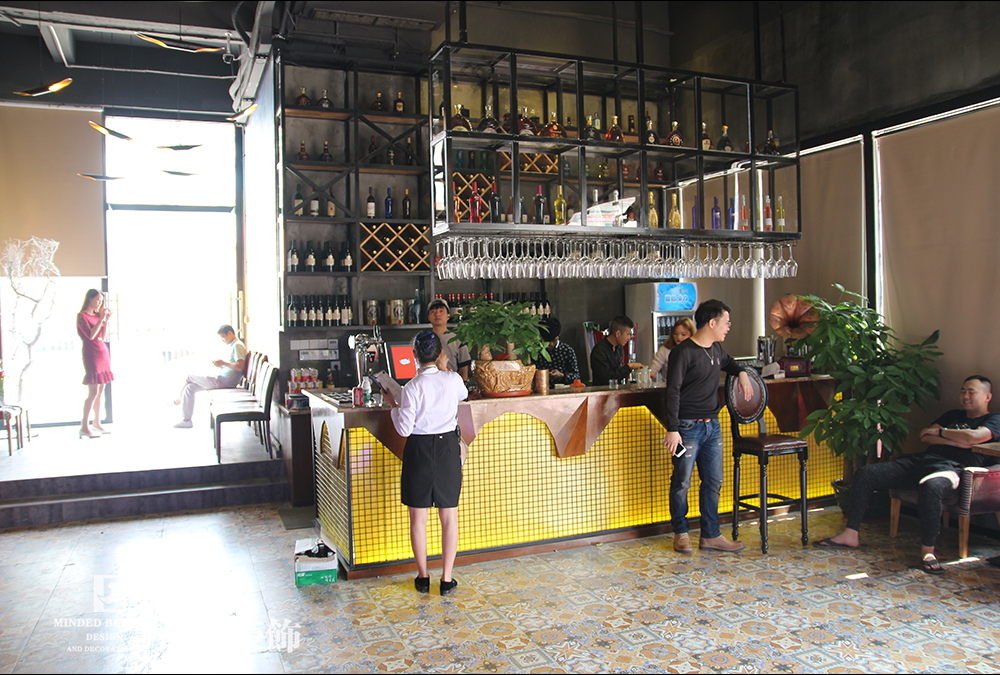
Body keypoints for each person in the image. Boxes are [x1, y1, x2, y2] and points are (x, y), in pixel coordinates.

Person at [815, 375, 1000, 574]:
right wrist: (959, 441)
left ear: (987, 397)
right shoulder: (953, 415)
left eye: (971, 392)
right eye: (963, 391)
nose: (965, 396)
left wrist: (944, 434)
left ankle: (928, 551)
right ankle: (850, 534)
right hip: (921, 462)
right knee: (865, 473)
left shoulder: (994, 419)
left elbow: (975, 437)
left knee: (931, 486)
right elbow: (926, 436)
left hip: (952, 469)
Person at [384, 331, 469, 596]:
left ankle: (422, 577)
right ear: (440, 353)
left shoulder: (411, 387)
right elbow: (464, 394)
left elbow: (404, 429)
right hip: (447, 449)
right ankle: (446, 579)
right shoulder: (452, 380)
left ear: (414, 355)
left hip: (418, 450)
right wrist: (445, 370)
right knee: (449, 517)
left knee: (418, 519)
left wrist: (393, 406)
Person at [663, 299, 751, 553]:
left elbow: (731, 363)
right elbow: (673, 391)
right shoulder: (683, 352)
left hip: (713, 426)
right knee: (682, 482)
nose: (728, 328)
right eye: (726, 323)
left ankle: (711, 535)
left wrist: (742, 373)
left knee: (713, 481)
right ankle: (681, 533)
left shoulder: (716, 349)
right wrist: (673, 428)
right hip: (687, 428)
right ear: (712, 323)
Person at [173, 325, 247, 428]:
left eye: (223, 337)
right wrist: (222, 365)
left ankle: (177, 400)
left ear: (230, 333)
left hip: (223, 382)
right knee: (190, 388)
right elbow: (234, 366)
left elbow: (240, 366)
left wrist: (224, 363)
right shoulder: (234, 345)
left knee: (189, 377)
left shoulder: (237, 345)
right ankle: (186, 420)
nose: (223, 340)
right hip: (222, 379)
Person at [77, 289, 114, 439]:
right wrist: (100, 320)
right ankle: (84, 426)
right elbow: (91, 335)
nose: (99, 303)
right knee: (92, 392)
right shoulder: (82, 316)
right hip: (91, 354)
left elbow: (102, 337)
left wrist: (105, 320)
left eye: (101, 301)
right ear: (90, 299)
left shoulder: (97, 316)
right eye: (97, 300)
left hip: (102, 352)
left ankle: (96, 422)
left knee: (100, 391)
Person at [590, 315, 644, 386]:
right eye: (628, 334)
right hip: (602, 391)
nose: (629, 338)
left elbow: (617, 374)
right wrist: (629, 366)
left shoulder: (618, 348)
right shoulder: (599, 351)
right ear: (618, 333)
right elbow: (608, 378)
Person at [428, 298, 471, 381]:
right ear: (428, 317)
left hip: (451, 383)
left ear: (448, 315)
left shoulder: (458, 340)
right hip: (428, 383)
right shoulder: (423, 340)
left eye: (441, 311)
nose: (437, 314)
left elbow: (464, 373)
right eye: (433, 312)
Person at [535, 317, 580, 385]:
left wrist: (562, 375)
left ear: (559, 335)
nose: (550, 344)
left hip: (564, 388)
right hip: (541, 387)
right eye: (547, 341)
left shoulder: (567, 351)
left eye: (553, 340)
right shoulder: (536, 351)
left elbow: (576, 376)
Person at [650, 317, 696, 381]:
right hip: (668, 384)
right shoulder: (665, 350)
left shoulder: (696, 350)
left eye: (683, 334)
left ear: (691, 335)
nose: (679, 337)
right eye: (676, 334)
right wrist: (650, 374)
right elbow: (653, 370)